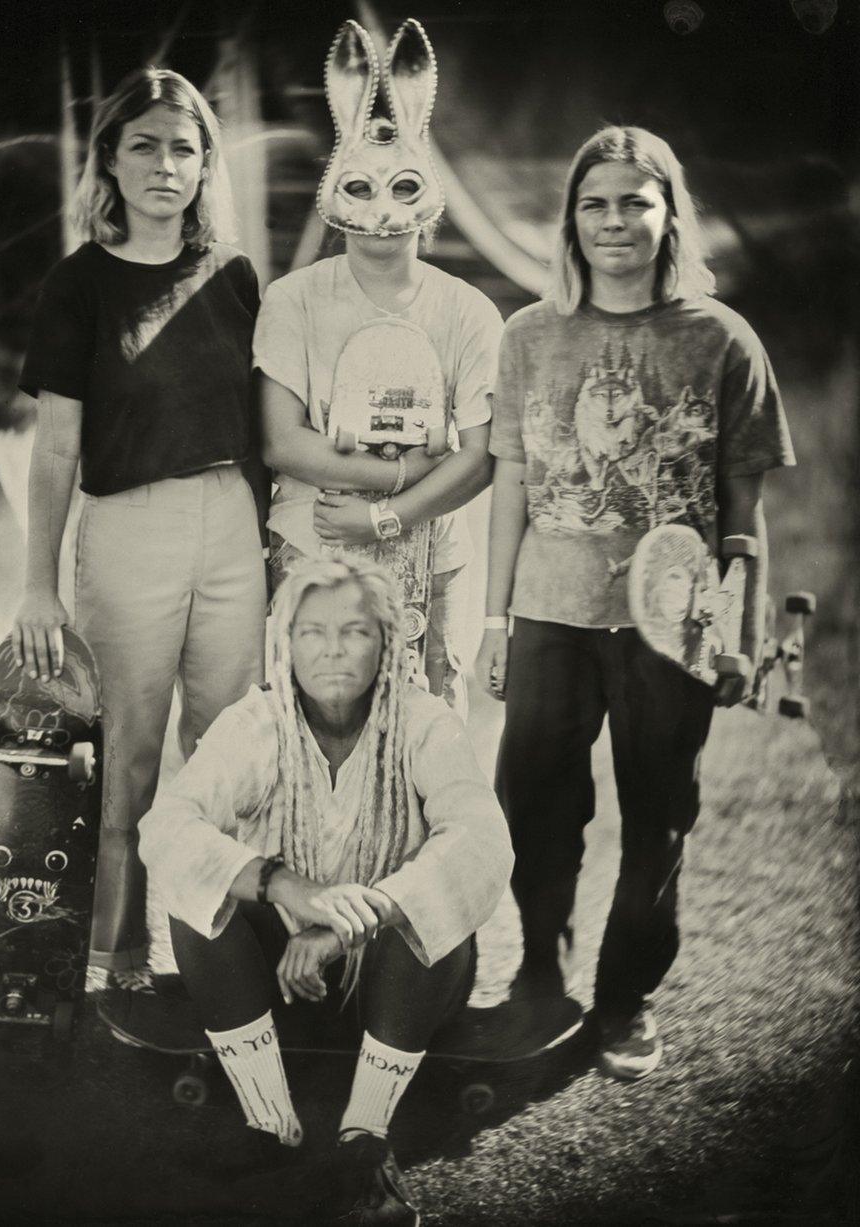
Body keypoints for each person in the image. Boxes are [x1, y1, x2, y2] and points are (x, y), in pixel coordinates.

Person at [477, 126, 795, 1079]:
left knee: (659, 812)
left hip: (674, 623)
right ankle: (540, 979)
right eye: (595, 204)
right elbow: (509, 492)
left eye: (634, 203)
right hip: (550, 613)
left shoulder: (721, 338)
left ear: (668, 216)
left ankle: (625, 999)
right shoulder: (528, 335)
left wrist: (740, 629)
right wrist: (494, 622)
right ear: (572, 221)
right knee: (534, 804)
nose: (615, 221)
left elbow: (744, 507)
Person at [138, 556, 513, 1224]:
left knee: (432, 909)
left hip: (395, 986)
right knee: (198, 893)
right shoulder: (258, 720)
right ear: (285, 643)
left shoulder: (426, 722)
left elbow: (484, 841)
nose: (333, 649)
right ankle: (269, 1121)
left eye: (355, 630)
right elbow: (167, 827)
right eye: (311, 631)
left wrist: (351, 920)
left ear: (387, 642)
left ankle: (365, 1144)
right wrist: (287, 886)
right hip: (285, 978)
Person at [13, 68, 268, 984]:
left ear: (206, 165)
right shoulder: (77, 287)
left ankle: (220, 955)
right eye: (145, 145)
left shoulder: (235, 277)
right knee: (127, 756)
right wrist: (38, 584)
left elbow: (270, 427)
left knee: (234, 751)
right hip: (128, 532)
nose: (167, 164)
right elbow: (53, 455)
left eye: (185, 146)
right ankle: (117, 952)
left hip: (233, 527)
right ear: (111, 162)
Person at [254, 18, 503, 716]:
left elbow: (480, 456)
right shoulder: (292, 300)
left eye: (403, 188)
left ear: (430, 193)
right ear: (333, 190)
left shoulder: (469, 311)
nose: (385, 211)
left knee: (425, 734)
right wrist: (400, 476)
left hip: (433, 562)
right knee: (311, 731)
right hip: (313, 545)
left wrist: (386, 518)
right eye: (361, 188)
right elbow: (281, 439)